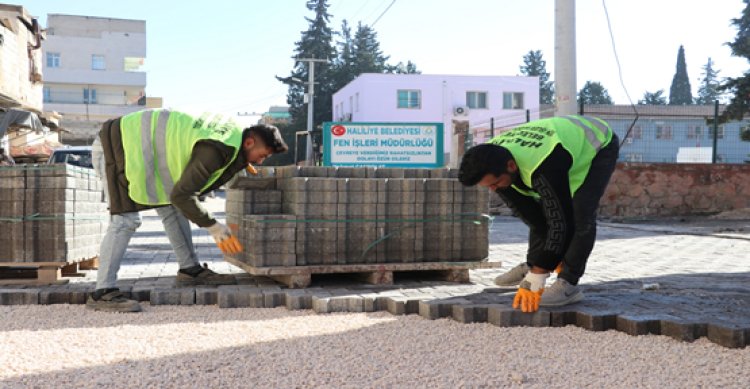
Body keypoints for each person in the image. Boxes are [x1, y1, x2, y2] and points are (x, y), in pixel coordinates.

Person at [88, 109, 288, 312]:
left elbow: (204, 179)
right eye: (262, 155)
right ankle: (102, 292)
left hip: (142, 150)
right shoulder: (217, 148)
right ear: (249, 143)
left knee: (172, 210)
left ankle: (190, 270)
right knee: (125, 221)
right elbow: (183, 196)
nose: (261, 161)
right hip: (117, 147)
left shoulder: (233, 138)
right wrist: (214, 226)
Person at [459, 115, 619, 312]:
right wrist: (543, 261)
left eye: (495, 183)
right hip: (557, 145)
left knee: (580, 214)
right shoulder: (491, 160)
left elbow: (562, 222)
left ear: (511, 166)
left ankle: (568, 283)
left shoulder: (543, 166)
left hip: (598, 143)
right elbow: (535, 218)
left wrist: (538, 276)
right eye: (488, 186)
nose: (493, 189)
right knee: (541, 213)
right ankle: (533, 263)